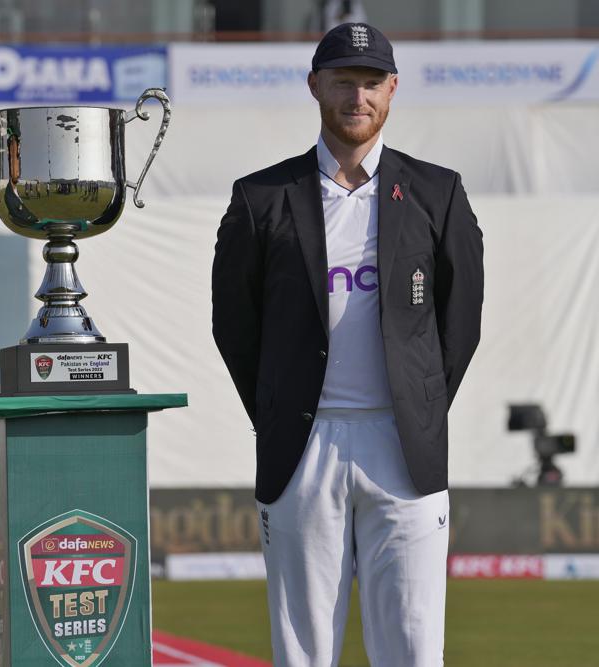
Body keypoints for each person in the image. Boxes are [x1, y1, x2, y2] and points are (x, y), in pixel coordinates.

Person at [212, 23, 483, 667]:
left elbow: (461, 323)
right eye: (341, 81)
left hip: (403, 447)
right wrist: (282, 411)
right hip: (306, 448)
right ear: (315, 87)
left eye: (369, 82)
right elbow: (234, 327)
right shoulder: (260, 197)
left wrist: (418, 405)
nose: (356, 96)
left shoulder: (437, 193)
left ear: (392, 89)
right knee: (303, 650)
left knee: (414, 649)